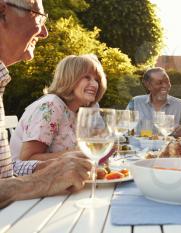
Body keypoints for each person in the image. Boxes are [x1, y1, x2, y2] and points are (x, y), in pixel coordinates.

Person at [0, 0, 91, 208]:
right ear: (3, 10)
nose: (45, 33)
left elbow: (6, 171)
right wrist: (42, 180)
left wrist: (49, 168)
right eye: (39, 17)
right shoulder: (52, 104)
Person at [10, 54, 107, 161]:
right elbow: (28, 159)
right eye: (87, 77)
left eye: (97, 80)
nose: (94, 84)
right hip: (28, 176)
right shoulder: (51, 105)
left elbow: (99, 145)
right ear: (69, 78)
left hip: (69, 174)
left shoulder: (86, 109)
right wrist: (77, 154)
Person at [127, 67, 181, 133]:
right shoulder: (135, 102)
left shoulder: (180, 105)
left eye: (167, 81)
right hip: (139, 144)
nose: (165, 86)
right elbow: (124, 132)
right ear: (148, 86)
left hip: (169, 144)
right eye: (159, 83)